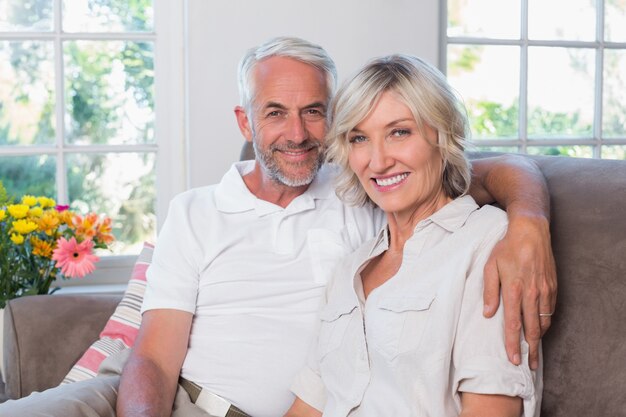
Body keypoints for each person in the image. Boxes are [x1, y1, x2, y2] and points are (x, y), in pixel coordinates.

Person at [0, 37, 555, 417]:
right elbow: (151, 357)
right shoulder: (201, 212)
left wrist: (528, 219)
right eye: (274, 113)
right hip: (169, 401)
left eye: (315, 111)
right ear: (245, 120)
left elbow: (493, 171)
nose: (297, 132)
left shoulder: (371, 194)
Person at [285, 54, 541, 417]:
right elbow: (307, 407)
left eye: (399, 132)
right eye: (359, 138)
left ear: (442, 134)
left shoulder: (488, 243)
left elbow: (490, 409)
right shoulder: (349, 268)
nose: (378, 161)